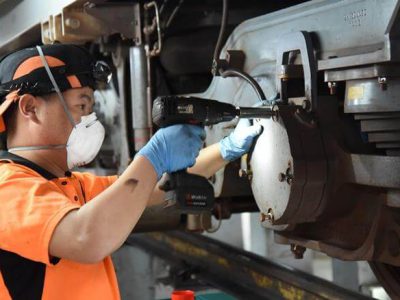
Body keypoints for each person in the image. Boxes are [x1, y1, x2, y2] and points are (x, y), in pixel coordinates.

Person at [0, 44, 262, 300]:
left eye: (91, 110)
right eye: (82, 107)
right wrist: (154, 156)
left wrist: (226, 149)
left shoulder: (68, 185)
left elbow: (152, 186)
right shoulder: (6, 189)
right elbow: (86, 238)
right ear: (30, 108)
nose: (90, 122)